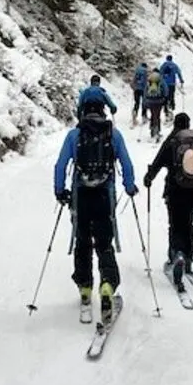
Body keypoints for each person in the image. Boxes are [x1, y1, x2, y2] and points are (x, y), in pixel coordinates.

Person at [54, 110, 139, 323]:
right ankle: (108, 284)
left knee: (82, 243)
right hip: (104, 195)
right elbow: (126, 164)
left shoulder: (75, 135)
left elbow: (61, 165)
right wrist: (129, 186)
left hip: (80, 196)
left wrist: (59, 190)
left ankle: (85, 288)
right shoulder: (114, 134)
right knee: (104, 243)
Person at [143, 112, 193, 290]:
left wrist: (149, 177)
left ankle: (176, 255)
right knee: (188, 222)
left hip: (175, 190)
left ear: (175, 124)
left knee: (175, 223)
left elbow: (158, 162)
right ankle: (189, 259)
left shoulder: (172, 142)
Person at [143, 69, 167, 141]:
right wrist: (165, 98)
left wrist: (145, 101)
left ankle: (152, 130)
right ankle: (157, 131)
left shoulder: (149, 79)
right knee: (157, 115)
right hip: (159, 101)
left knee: (153, 115)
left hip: (150, 101)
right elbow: (165, 89)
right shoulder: (160, 79)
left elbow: (145, 90)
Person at [130, 62, 149, 126]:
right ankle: (144, 116)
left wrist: (133, 87)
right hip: (143, 90)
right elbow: (146, 81)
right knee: (144, 103)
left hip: (136, 89)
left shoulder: (137, 71)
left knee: (137, 102)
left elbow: (133, 80)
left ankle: (135, 113)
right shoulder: (145, 71)